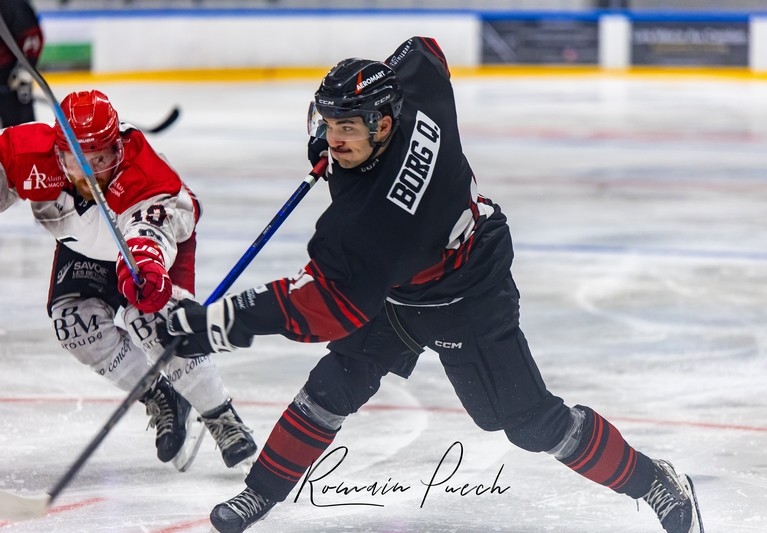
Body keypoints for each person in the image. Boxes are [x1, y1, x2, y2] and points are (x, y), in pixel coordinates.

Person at [164, 36, 704, 533]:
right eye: (329, 124)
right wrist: (334, 133)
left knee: (530, 424)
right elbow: (424, 50)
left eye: (348, 127)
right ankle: (261, 492)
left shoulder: (371, 223)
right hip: (408, 281)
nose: (335, 138)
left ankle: (657, 481)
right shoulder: (416, 92)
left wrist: (214, 325)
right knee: (335, 384)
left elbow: (321, 309)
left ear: (382, 123)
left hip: (466, 295)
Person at [0, 90, 258, 471]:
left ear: (117, 147)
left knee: (157, 324)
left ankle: (221, 415)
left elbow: (147, 238)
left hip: (152, 250)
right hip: (84, 248)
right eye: (77, 161)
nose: (91, 172)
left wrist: (147, 273)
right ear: (58, 152)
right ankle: (161, 395)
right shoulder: (25, 152)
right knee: (76, 327)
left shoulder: (145, 176)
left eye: (101, 158)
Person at [0, 0, 43, 127]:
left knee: (21, 130)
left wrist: (25, 69)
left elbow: (33, 37)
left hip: (10, 76)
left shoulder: (13, 5)